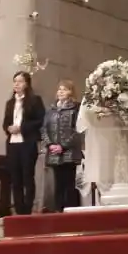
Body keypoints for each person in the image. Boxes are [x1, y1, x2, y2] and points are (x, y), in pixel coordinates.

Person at [2, 71, 45, 215]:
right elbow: (5, 122)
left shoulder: (35, 100)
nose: (16, 84)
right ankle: (19, 208)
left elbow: (40, 121)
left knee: (27, 175)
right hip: (12, 143)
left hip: (27, 143)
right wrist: (8, 128)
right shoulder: (10, 103)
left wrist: (21, 128)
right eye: (15, 81)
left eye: (19, 81)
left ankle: (27, 208)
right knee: (15, 177)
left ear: (26, 84)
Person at [43, 80, 82, 212]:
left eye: (64, 89)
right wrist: (50, 144)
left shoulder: (76, 109)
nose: (60, 92)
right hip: (54, 152)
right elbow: (44, 129)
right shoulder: (51, 110)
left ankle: (70, 211)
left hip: (69, 153)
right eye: (59, 89)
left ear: (71, 92)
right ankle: (58, 210)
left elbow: (78, 130)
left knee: (69, 184)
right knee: (58, 184)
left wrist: (63, 146)